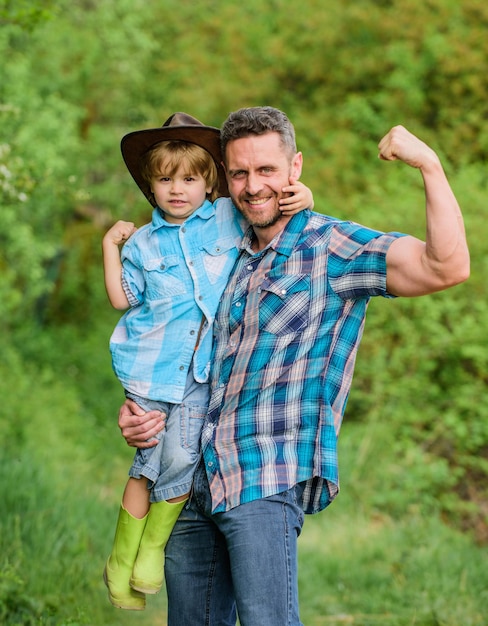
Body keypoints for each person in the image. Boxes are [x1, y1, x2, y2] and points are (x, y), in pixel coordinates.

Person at [118, 106, 470, 625]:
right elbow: (164, 342)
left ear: (294, 169)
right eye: (239, 173)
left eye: (266, 171)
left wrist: (429, 166)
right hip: (191, 481)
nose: (252, 186)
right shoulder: (220, 249)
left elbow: (448, 266)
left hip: (264, 477)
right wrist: (140, 413)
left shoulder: (332, 248)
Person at [102, 112, 314, 611]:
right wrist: (110, 246)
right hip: (150, 368)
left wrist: (305, 197)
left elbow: (269, 205)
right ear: (151, 186)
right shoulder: (143, 244)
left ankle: (149, 550)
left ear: (209, 182)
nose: (178, 190)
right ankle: (120, 559)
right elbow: (121, 299)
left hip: (201, 372)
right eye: (165, 180)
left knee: (178, 457)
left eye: (190, 179)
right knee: (145, 459)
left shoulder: (225, 216)